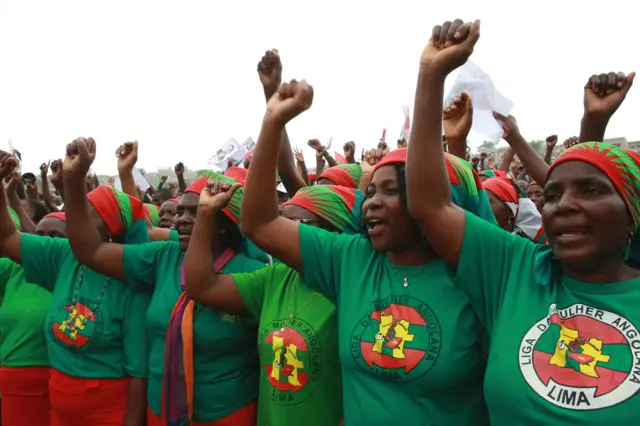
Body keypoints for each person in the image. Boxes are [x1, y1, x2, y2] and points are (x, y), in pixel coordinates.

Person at [405, 17, 640, 424]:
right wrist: (431, 75)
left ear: (631, 214)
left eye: (590, 192)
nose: (562, 206)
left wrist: (592, 129)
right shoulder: (516, 272)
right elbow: (430, 204)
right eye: (551, 195)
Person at [239, 79, 494, 424]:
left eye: (390, 191)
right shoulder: (351, 260)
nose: (370, 202)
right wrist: (272, 120)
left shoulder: (484, 276)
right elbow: (260, 224)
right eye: (370, 191)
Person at [61, 138, 263, 426]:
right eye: (180, 211)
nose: (181, 220)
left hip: (226, 413)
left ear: (222, 221)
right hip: (160, 410)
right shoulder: (163, 257)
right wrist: (73, 179)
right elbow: (89, 251)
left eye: (196, 212)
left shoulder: (252, 273)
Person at [185, 184, 363, 426]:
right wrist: (205, 213)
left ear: (332, 231)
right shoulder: (276, 277)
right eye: (281, 221)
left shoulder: (352, 286)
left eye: (296, 224)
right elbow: (201, 286)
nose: (279, 234)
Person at [0, 150, 149, 426]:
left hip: (107, 411)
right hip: (59, 406)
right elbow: (7, 237)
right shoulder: (63, 255)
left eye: (86, 213)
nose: (74, 219)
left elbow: (138, 375)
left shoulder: (131, 282)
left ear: (111, 231)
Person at [0, 209, 52, 426]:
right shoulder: (13, 268)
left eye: (56, 237)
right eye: (38, 235)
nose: (44, 243)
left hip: (50, 383)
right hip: (9, 380)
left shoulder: (70, 274)